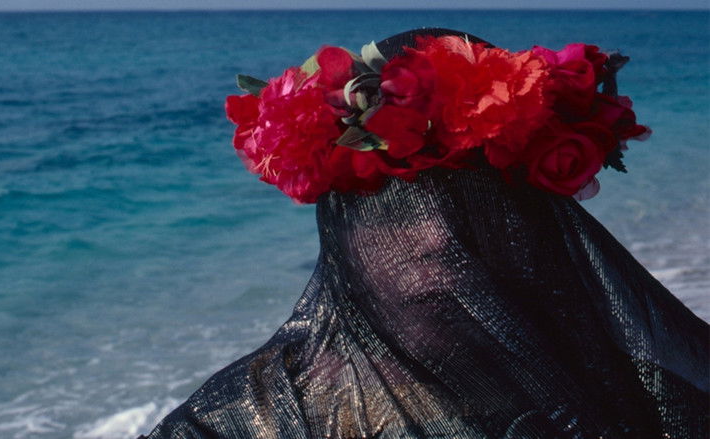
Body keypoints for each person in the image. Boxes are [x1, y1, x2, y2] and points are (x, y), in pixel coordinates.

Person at [139, 29, 709, 438]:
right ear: (344, 231)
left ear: (528, 219)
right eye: (397, 213)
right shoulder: (240, 422)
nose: (437, 239)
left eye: (471, 209)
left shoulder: (645, 392)